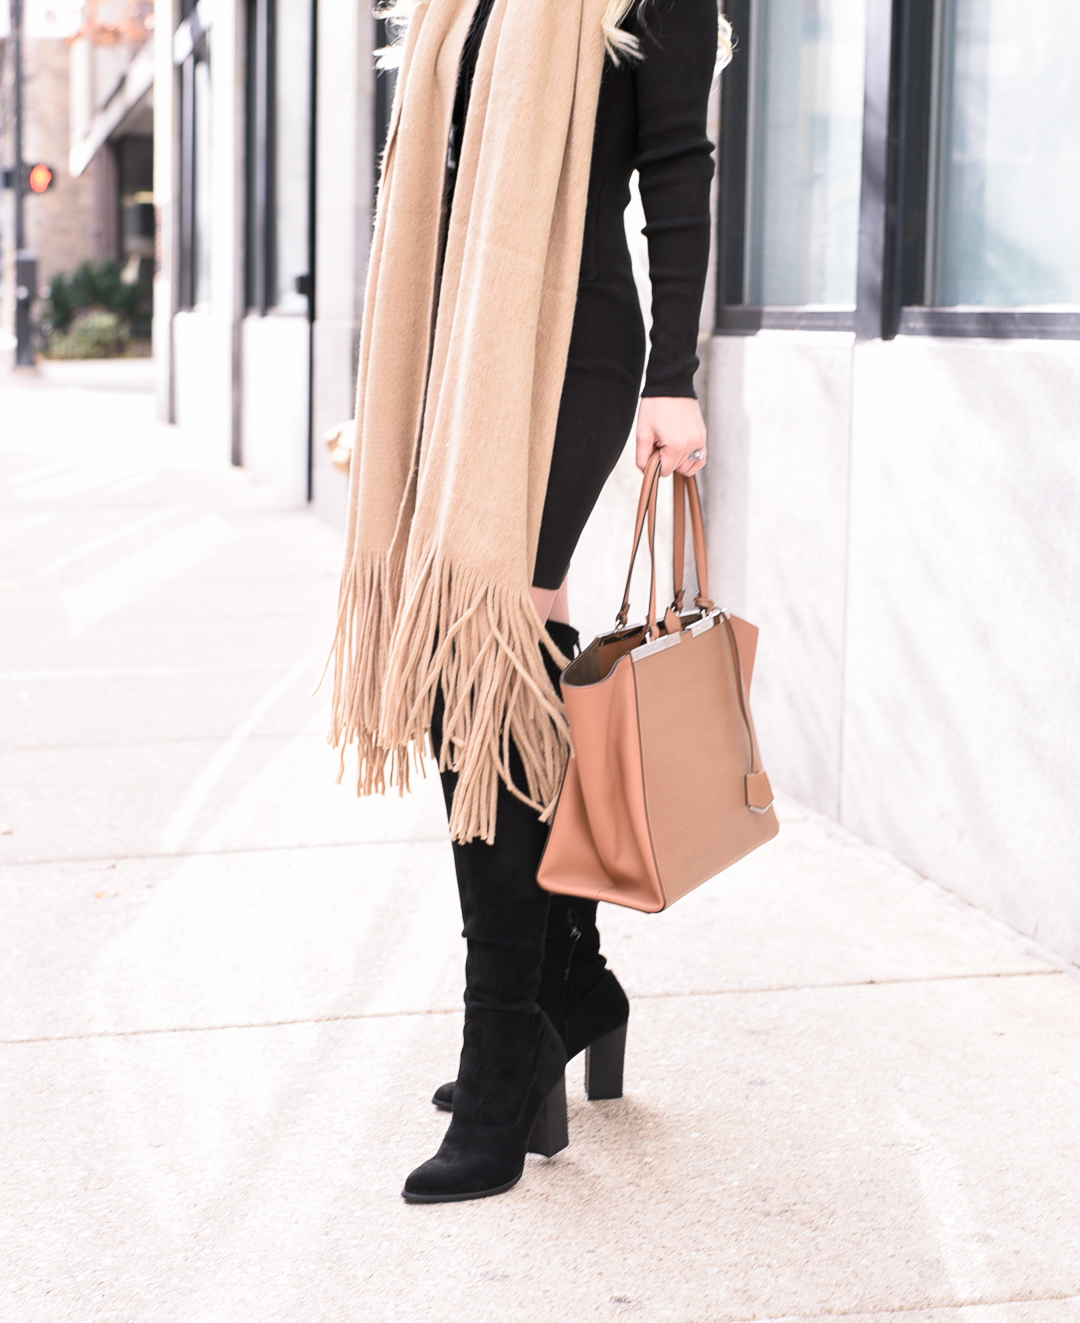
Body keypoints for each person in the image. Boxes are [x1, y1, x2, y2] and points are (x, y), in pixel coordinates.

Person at [331, 0, 730, 1203]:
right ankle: (566, 984)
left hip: (570, 344)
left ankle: (501, 1050)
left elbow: (677, 164)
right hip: (453, 352)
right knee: (483, 663)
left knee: (483, 655)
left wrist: (676, 382)